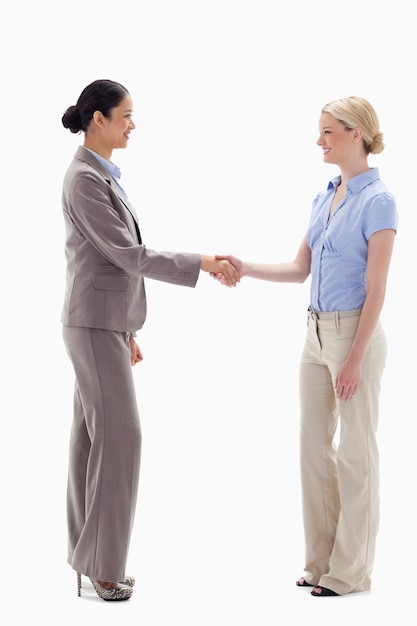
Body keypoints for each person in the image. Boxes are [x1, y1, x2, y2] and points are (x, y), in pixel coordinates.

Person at [60, 79, 239, 601]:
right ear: (99, 119)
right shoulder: (84, 181)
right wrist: (202, 263)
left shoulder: (101, 175)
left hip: (101, 322)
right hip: (92, 323)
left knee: (92, 439)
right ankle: (104, 566)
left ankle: (89, 558)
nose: (133, 125)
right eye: (126, 116)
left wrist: (127, 329)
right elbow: (127, 256)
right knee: (121, 437)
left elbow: (108, 262)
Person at [213, 96, 398, 596]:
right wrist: (244, 266)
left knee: (357, 453)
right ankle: (320, 563)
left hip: (353, 335)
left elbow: (377, 288)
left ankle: (351, 572)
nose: (319, 141)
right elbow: (301, 269)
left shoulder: (378, 200)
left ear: (356, 133)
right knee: (313, 450)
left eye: (328, 132)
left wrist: (355, 358)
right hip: (314, 335)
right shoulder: (326, 196)